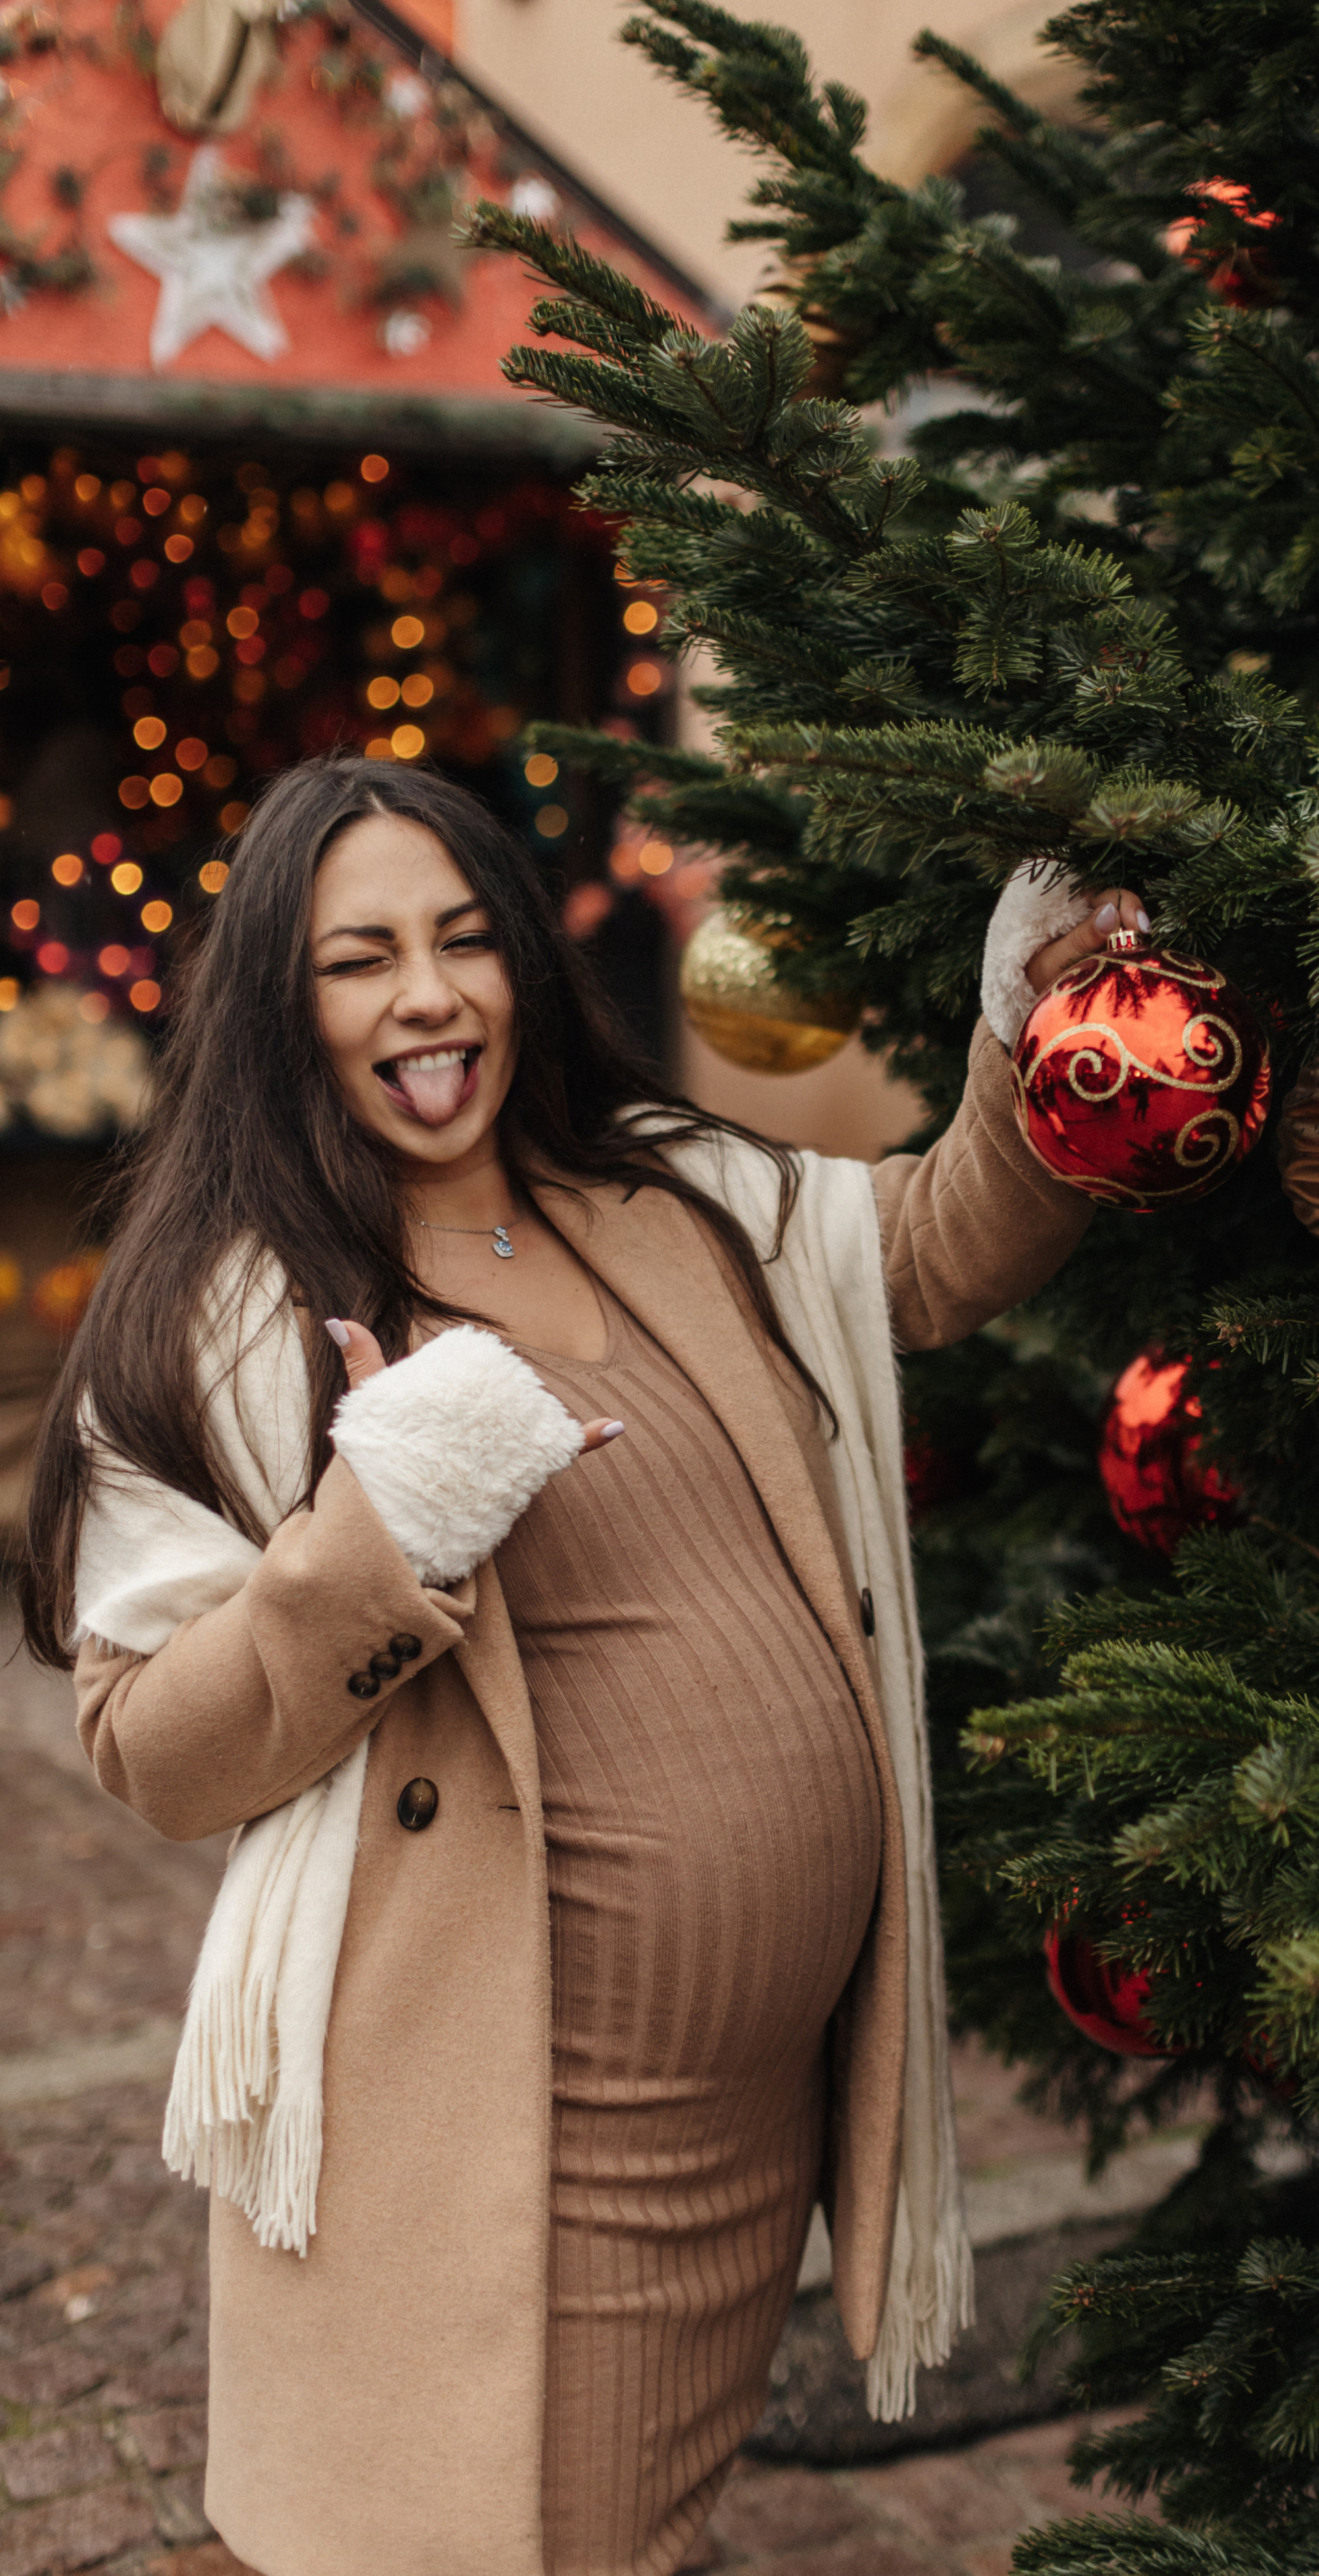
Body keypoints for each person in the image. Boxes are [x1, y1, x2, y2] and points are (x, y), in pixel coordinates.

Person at [20, 760, 1143, 2576]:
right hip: (519, 2141)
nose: (431, 997)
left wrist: (1028, 1053)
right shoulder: (225, 1313)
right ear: (279, 1009)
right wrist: (376, 1529)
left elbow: (930, 1255)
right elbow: (152, 1748)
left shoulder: (675, 1193)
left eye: (467, 940)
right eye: (360, 958)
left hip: (744, 2113)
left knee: (622, 2526)